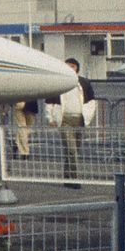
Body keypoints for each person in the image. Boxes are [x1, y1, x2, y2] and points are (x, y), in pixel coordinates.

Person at [45, 57, 95, 186]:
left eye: (72, 66)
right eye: (67, 66)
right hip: (65, 119)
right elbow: (50, 102)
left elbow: (91, 102)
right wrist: (50, 118)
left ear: (77, 68)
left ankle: (67, 177)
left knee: (73, 150)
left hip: (79, 119)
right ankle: (74, 179)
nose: (70, 68)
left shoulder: (84, 83)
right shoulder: (58, 83)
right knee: (71, 149)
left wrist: (87, 118)